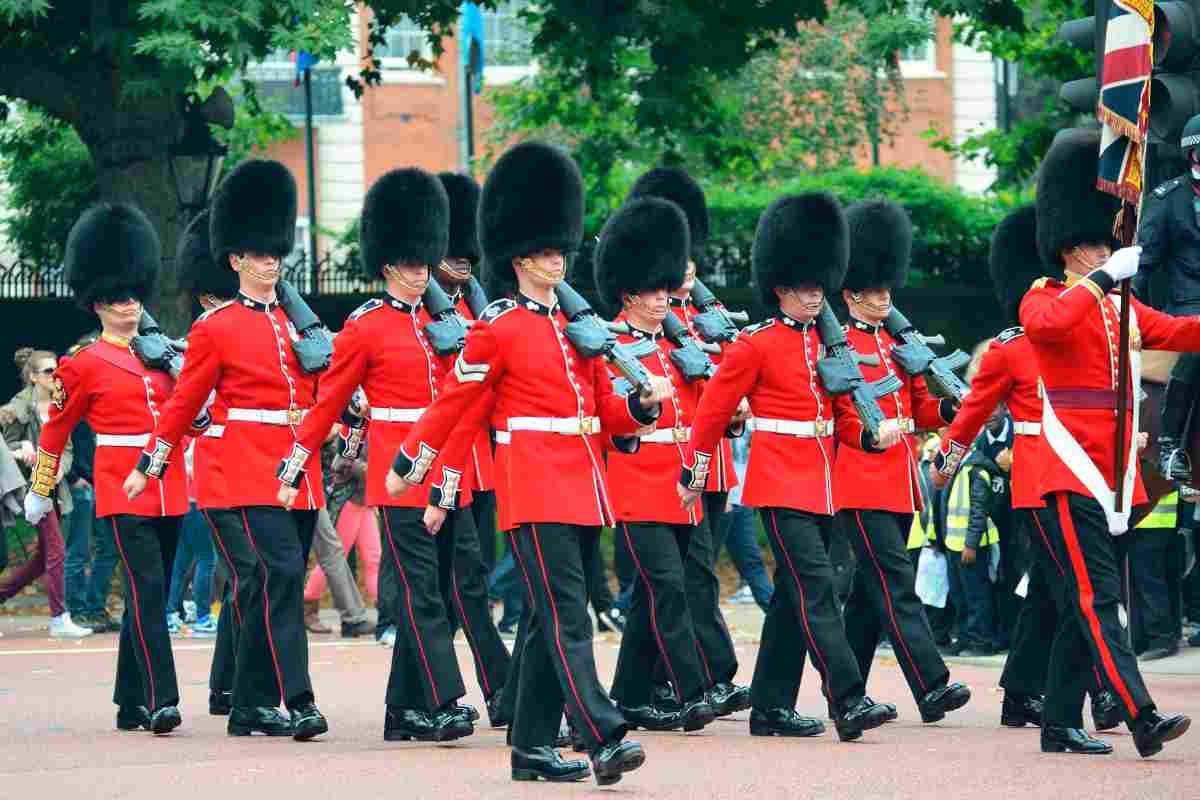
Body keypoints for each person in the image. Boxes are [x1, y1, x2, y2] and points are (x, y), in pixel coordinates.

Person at [392, 141, 671, 785]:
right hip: (535, 488)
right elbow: (456, 402)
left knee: (550, 623)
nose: (559, 260)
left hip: (582, 486)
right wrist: (414, 459)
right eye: (548, 252)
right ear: (520, 258)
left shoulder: (579, 329)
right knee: (567, 615)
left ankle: (532, 747)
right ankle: (602, 735)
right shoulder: (498, 327)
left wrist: (643, 405)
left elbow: (607, 414)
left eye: (561, 250)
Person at [126, 160, 329, 742]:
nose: (270, 261)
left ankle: (249, 703)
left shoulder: (298, 326)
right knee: (282, 573)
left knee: (264, 584)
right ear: (236, 260)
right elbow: (185, 402)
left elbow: (317, 393)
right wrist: (151, 462)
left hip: (298, 467)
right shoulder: (217, 328)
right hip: (240, 468)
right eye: (258, 254)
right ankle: (299, 699)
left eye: (275, 252)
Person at [680, 192, 893, 741]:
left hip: (824, 480)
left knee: (794, 598)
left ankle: (771, 706)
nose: (816, 294)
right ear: (781, 288)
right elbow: (713, 411)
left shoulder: (827, 343)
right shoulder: (754, 344)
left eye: (820, 286)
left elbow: (842, 413)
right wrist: (697, 469)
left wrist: (871, 436)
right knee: (817, 588)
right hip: (779, 480)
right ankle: (847, 697)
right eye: (806, 287)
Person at [277, 167, 479, 743]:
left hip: (445, 470)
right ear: (389, 265)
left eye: (426, 263)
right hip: (396, 475)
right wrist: (295, 465)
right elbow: (327, 404)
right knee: (420, 592)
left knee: (436, 591)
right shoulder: (366, 327)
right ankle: (441, 700)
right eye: (412, 265)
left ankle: (403, 709)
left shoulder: (448, 325)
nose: (422, 273)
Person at [1019, 127, 1199, 757]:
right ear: (1069, 251)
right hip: (1068, 469)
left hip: (1113, 469)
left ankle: (1058, 723)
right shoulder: (1045, 298)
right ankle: (1140, 713)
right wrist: (1100, 282)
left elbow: (1178, 330)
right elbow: (1053, 324)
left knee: (1079, 605)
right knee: (1100, 597)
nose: (1106, 254)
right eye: (1095, 247)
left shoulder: (1119, 307)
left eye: (1108, 246)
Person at [25, 202, 190, 733]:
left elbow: (188, 416)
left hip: (169, 484)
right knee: (145, 590)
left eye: (135, 297)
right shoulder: (83, 363)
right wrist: (42, 487)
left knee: (155, 593)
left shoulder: (160, 352)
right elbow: (55, 428)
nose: (130, 307)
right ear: (98, 304)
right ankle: (162, 698)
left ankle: (128, 699)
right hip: (122, 483)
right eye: (120, 300)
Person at [832, 198, 970, 724]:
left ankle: (844, 690)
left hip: (898, 482)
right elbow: (845, 415)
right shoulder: (839, 345)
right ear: (851, 295)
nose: (884, 297)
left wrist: (950, 406)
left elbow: (920, 411)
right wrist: (871, 435)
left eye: (887, 289)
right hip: (861, 480)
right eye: (874, 291)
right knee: (895, 583)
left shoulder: (898, 346)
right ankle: (931, 685)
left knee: (869, 599)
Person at [594, 196, 719, 733]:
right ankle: (693, 691)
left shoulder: (676, 344)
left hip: (678, 484)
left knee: (651, 596)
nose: (665, 296)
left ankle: (628, 696)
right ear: (629, 294)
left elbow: (696, 415)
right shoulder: (608, 343)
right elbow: (611, 416)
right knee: (669, 587)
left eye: (668, 287)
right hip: (635, 482)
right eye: (655, 289)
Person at [626, 167, 748, 717]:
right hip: (661, 473)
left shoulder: (703, 317)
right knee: (682, 580)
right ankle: (702, 679)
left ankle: (644, 687)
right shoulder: (641, 329)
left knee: (672, 585)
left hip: (707, 464)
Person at [431, 171, 514, 724]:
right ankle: (501, 689)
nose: (463, 259)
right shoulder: (420, 313)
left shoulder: (475, 305)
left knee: (452, 585)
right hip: (439, 462)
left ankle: (410, 700)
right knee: (463, 584)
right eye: (451, 250)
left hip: (482, 464)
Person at [0, 348, 90, 638]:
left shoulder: (60, 404)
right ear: (34, 377)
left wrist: (61, 468)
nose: (55, 375)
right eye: (49, 371)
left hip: (53, 485)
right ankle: (59, 618)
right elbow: (5, 448)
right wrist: (21, 451)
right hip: (29, 487)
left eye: (57, 370)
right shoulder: (17, 408)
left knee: (43, 559)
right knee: (57, 550)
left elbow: (68, 447)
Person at [1136, 112, 1200, 482]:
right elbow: (1145, 263)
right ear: (1194, 156)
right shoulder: (1168, 199)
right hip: (1190, 302)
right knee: (1195, 354)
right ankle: (1170, 444)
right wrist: (1136, 318)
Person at [942, 416, 1006, 657]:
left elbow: (979, 510)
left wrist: (970, 545)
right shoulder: (959, 467)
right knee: (960, 595)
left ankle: (981, 641)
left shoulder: (978, 469)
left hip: (972, 546)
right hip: (954, 544)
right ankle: (966, 638)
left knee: (977, 595)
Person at [719, 426, 773, 611]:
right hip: (722, 499)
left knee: (752, 563)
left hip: (742, 499)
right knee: (702, 564)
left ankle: (778, 619)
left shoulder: (751, 420)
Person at [1128, 491, 1182, 660]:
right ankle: (1165, 635)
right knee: (1159, 582)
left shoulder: (1150, 464)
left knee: (1149, 584)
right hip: (1158, 519)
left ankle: (1161, 638)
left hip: (1147, 520)